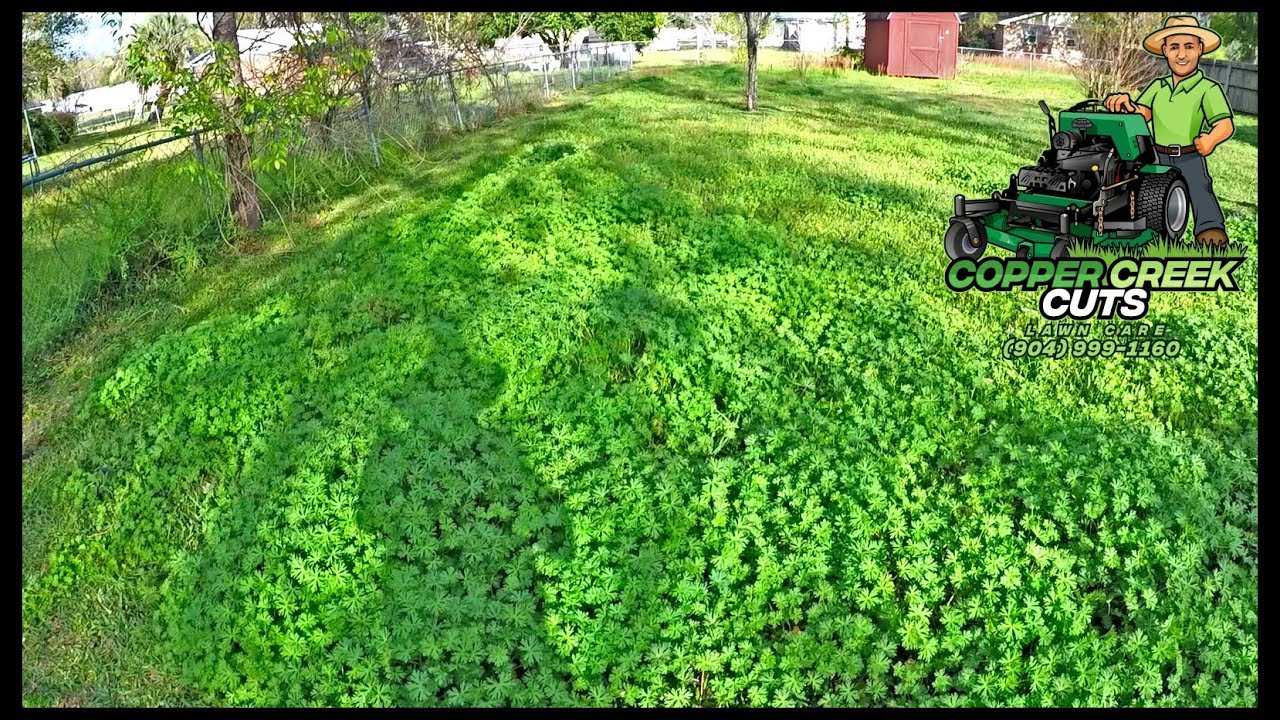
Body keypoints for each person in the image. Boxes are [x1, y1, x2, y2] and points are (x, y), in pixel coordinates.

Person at [1103, 15, 1235, 246]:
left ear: (1200, 49)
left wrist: (1211, 139)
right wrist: (1125, 103)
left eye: (1189, 47)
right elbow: (1140, 115)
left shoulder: (1207, 89)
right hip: (1155, 155)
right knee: (1145, 192)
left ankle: (1210, 230)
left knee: (1199, 190)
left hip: (1189, 156)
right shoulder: (1157, 87)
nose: (1181, 54)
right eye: (1174, 47)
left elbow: (1225, 125)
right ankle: (1150, 233)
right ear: (1164, 51)